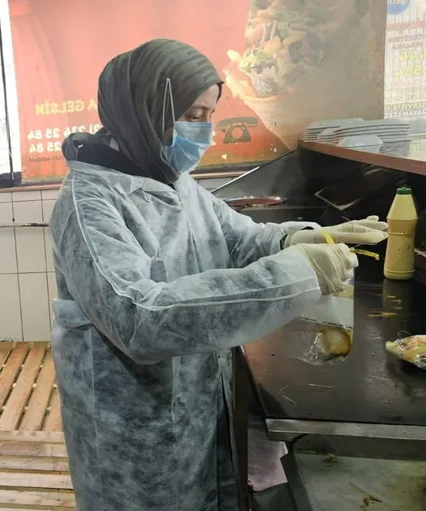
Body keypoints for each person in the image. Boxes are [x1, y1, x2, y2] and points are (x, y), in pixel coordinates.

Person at [48, 39, 388, 511]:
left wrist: (297, 239)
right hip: (133, 429)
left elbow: (237, 238)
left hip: (197, 405)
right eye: (192, 114)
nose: (205, 130)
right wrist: (293, 274)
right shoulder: (88, 204)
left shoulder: (172, 182)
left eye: (210, 114)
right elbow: (138, 318)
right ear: (144, 110)